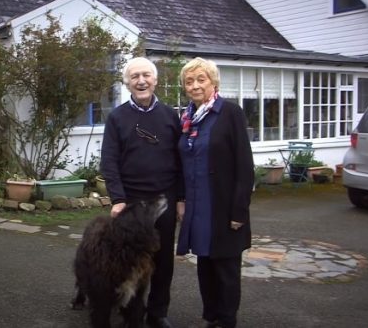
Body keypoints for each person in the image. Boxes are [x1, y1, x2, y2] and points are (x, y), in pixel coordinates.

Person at [100, 56, 184, 328]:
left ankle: (158, 313)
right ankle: (130, 310)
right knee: (128, 260)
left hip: (164, 201)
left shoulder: (171, 116)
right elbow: (109, 161)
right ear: (127, 83)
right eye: (134, 76)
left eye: (146, 75)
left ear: (156, 80)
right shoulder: (117, 117)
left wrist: (181, 198)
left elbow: (181, 160)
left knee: (163, 261)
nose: (141, 80)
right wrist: (118, 198)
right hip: (131, 203)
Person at [175, 57, 254, 328]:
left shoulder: (230, 113)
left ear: (213, 82)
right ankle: (211, 317)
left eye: (201, 79)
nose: (195, 86)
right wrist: (182, 200)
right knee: (205, 265)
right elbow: (183, 163)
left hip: (223, 205)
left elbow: (245, 165)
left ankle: (227, 320)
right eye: (189, 81)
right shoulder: (186, 118)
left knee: (226, 268)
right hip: (198, 207)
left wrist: (239, 211)